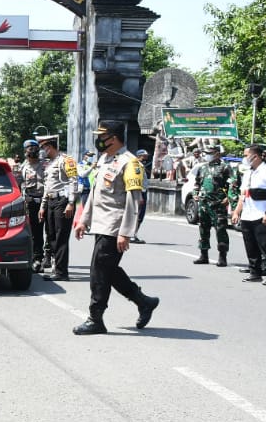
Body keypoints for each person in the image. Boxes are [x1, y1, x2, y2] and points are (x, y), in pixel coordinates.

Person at [71, 121, 159, 335]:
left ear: (114, 138)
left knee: (99, 273)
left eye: (103, 136)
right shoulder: (105, 159)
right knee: (107, 270)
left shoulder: (131, 163)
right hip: (101, 224)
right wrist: (84, 219)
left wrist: (126, 232)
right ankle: (143, 301)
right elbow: (95, 193)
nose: (99, 140)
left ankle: (95, 318)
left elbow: (133, 201)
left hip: (114, 226)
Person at [231, 144, 266, 284]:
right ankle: (255, 272)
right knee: (250, 246)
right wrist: (236, 212)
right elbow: (243, 195)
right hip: (247, 214)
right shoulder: (248, 172)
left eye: (246, 156)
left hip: (261, 214)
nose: (245, 158)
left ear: (256, 156)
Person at [37, 134, 77, 281]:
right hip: (51, 201)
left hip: (63, 201)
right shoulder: (50, 163)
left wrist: (71, 203)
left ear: (51, 146)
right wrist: (43, 206)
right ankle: (56, 267)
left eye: (44, 147)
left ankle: (61, 272)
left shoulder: (66, 160)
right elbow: (48, 187)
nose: (43, 151)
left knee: (61, 237)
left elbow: (73, 181)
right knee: (51, 235)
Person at [191, 144, 232, 267]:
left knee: (220, 230)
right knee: (203, 229)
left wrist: (228, 197)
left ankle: (222, 256)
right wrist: (195, 193)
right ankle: (204, 255)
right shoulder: (202, 168)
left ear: (217, 154)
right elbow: (197, 183)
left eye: (210, 153)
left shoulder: (225, 167)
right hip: (204, 204)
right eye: (206, 153)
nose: (207, 155)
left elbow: (233, 185)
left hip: (218, 204)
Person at [16, 139, 48, 271]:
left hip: (46, 201)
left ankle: (50, 257)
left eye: (35, 148)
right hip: (31, 203)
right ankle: (37, 258)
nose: (32, 151)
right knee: (35, 232)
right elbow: (19, 185)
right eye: (30, 148)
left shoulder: (45, 165)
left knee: (51, 232)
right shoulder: (22, 167)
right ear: (25, 151)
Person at [131, 149, 151, 243]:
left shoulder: (140, 165)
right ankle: (132, 235)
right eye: (144, 155)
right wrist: (140, 195)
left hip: (142, 191)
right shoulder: (137, 166)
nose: (146, 157)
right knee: (138, 215)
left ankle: (133, 234)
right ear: (139, 156)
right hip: (140, 192)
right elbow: (137, 180)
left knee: (139, 215)